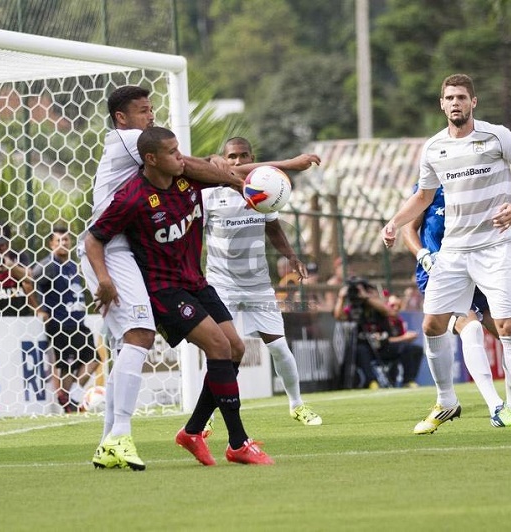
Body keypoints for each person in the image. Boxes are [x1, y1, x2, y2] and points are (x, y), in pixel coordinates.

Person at [86, 126, 274, 466]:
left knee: (235, 349)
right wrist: (104, 279)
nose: (180, 157)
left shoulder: (189, 179)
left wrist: (272, 172)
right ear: (151, 159)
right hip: (163, 290)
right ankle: (238, 442)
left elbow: (229, 171)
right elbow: (94, 238)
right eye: (173, 152)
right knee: (218, 347)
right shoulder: (132, 197)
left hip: (195, 282)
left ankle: (192, 431)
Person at [381, 73, 511, 434]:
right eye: (449, 98)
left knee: (507, 327)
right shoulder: (433, 148)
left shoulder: (496, 135)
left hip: (494, 248)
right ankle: (445, 401)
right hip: (454, 252)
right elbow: (423, 197)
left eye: (461, 97)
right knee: (431, 325)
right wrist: (395, 223)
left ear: (473, 102)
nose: (455, 103)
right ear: (441, 104)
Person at [403, 184, 511, 428]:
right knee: (469, 329)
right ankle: (495, 407)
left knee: (508, 331)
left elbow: (510, 230)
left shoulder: (481, 181)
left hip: (481, 266)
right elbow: (408, 228)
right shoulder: (429, 185)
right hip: (442, 272)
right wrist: (422, 255)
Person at [202, 136, 322, 426]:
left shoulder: (264, 190)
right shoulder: (208, 194)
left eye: (244, 156)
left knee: (279, 348)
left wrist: (292, 257)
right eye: (232, 157)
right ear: (223, 158)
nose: (238, 162)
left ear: (252, 156)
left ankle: (297, 404)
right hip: (221, 285)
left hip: (257, 285)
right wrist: (291, 164)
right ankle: (206, 418)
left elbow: (274, 229)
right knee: (222, 351)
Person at [32, 224, 98, 413]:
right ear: (51, 244)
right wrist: (40, 308)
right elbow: (31, 281)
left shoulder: (72, 265)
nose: (63, 243)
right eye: (59, 240)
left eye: (66, 239)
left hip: (78, 322)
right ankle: (68, 401)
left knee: (93, 359)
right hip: (61, 323)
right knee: (69, 365)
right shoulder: (48, 265)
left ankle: (71, 396)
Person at [333, 276, 394, 389]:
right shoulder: (353, 308)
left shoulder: (373, 304)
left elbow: (386, 311)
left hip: (382, 345)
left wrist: (366, 297)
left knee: (407, 348)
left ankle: (408, 381)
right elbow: (338, 316)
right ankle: (372, 382)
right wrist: (341, 298)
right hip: (364, 346)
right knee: (361, 350)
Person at [385, 294, 424, 388]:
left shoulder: (399, 321)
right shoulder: (383, 320)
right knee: (406, 347)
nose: (395, 308)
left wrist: (409, 338)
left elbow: (403, 338)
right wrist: (404, 338)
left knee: (417, 349)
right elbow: (385, 340)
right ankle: (407, 380)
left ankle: (410, 379)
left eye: (398, 306)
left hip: (398, 348)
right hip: (384, 348)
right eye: (392, 305)